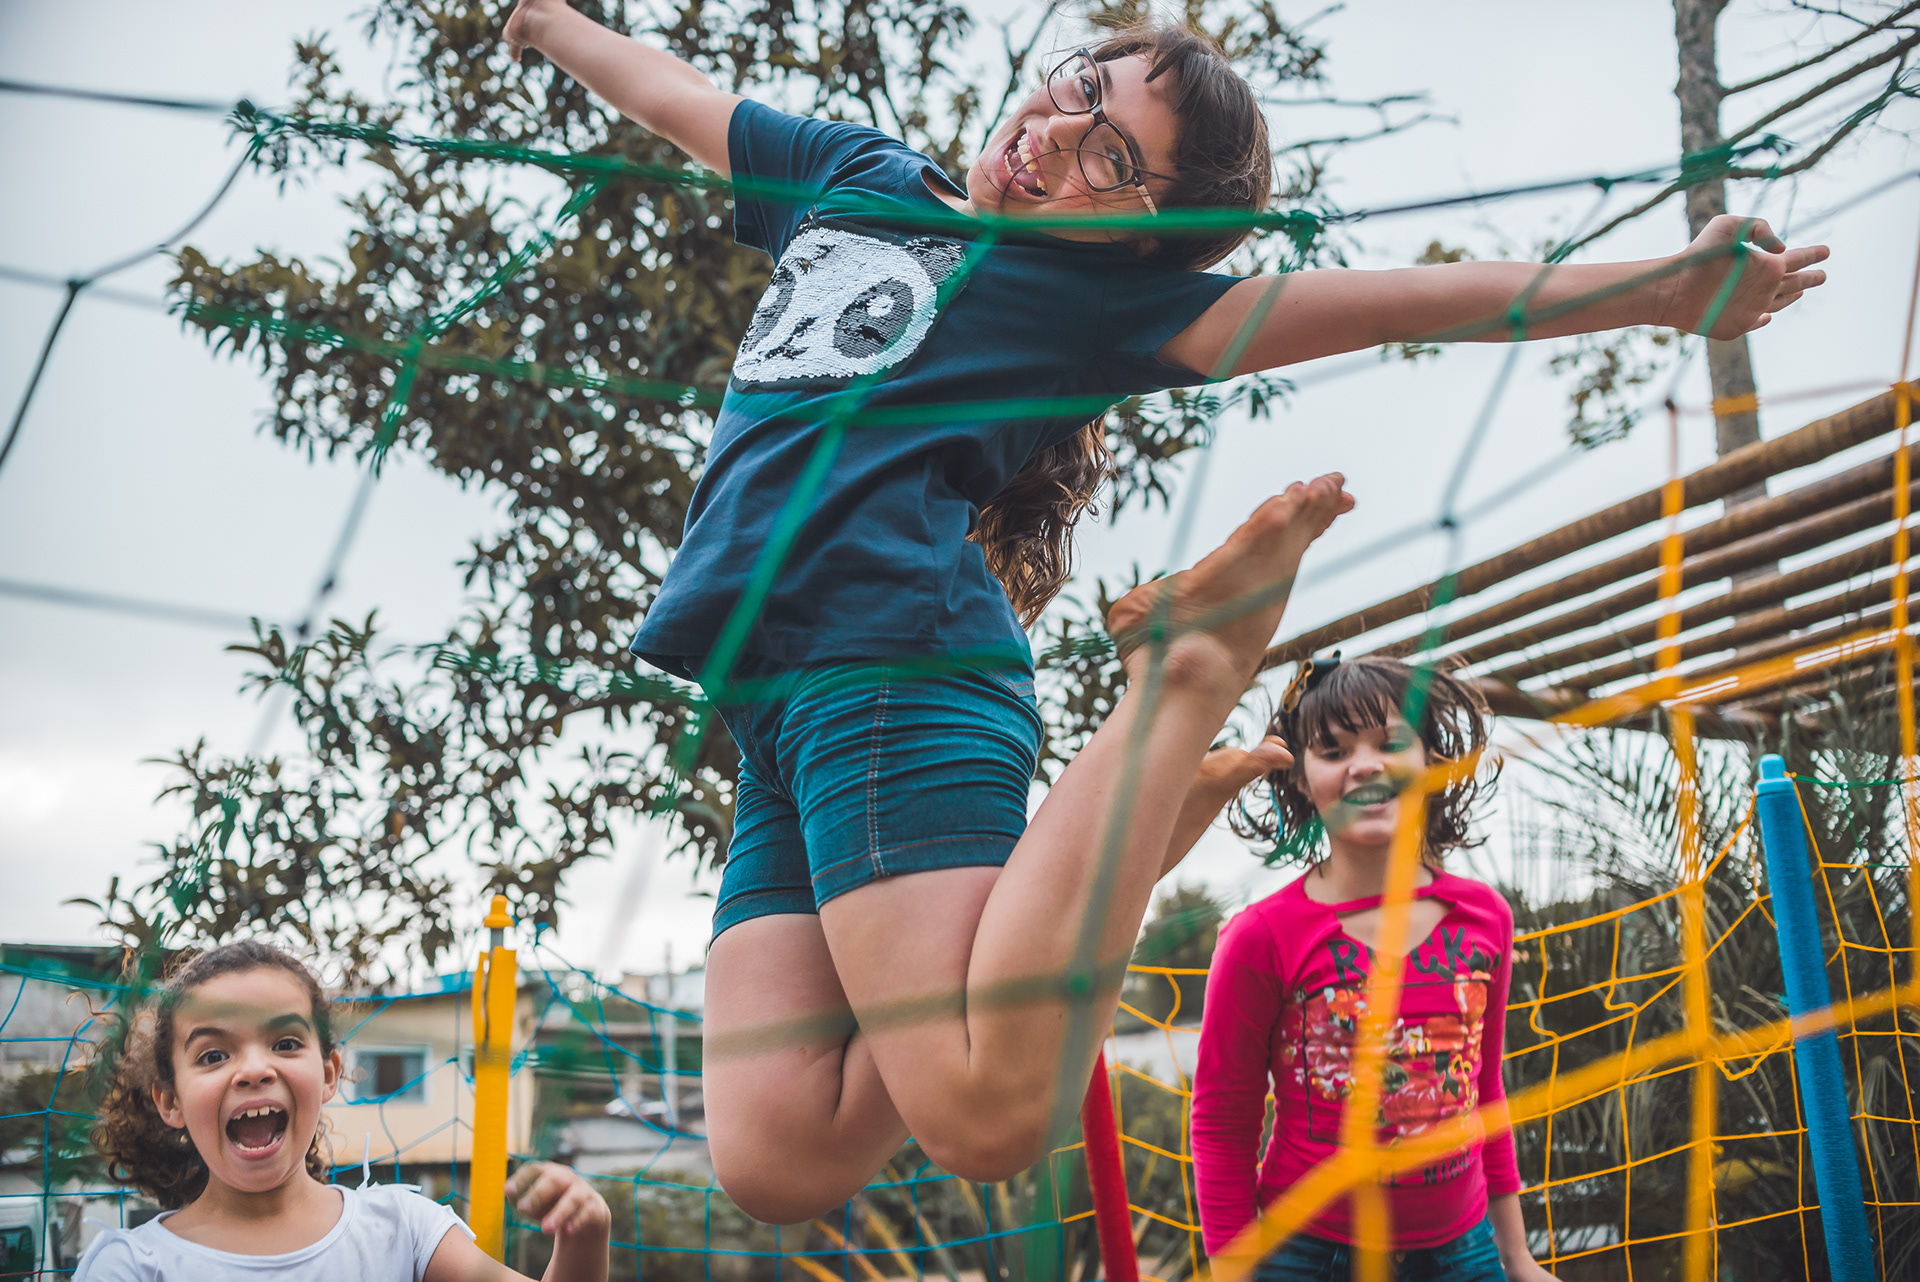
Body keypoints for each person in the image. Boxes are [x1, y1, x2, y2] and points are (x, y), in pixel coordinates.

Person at [501, 0, 1827, 1224]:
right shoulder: (855, 172)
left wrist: (1658, 291)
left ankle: (1176, 686)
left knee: (987, 1113)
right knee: (777, 1154)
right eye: (1080, 87)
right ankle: (1127, 836)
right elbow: (681, 99)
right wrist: (551, 20)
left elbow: (1400, 301)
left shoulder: (1090, 302)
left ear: (1137, 242)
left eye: (1113, 162)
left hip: (897, 667)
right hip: (769, 706)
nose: (1059, 131)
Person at [1192, 655, 1551, 1281]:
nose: (1364, 765)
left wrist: (1517, 1256)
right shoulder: (1259, 937)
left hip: (1465, 1250)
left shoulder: (1486, 917)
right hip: (1310, 1255)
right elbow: (1224, 1121)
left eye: (1390, 743)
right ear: (1301, 778)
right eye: (1333, 751)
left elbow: (1485, 1093)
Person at [75, 941, 611, 1282]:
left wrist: (584, 1236)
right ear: (170, 1101)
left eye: (285, 1043)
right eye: (214, 1055)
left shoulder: (405, 1231)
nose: (254, 1069)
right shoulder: (130, 1267)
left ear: (330, 1073)